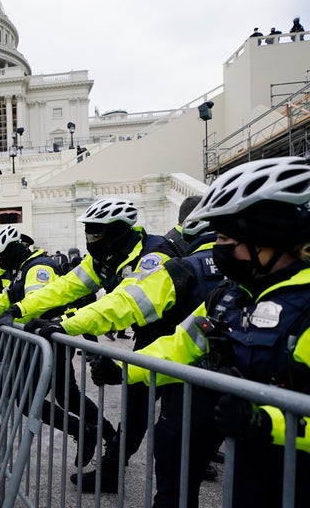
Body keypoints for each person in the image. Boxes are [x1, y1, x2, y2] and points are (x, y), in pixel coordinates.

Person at [93, 157, 310, 507]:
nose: (217, 246)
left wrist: (266, 423)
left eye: (225, 236)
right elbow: (181, 346)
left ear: (270, 236)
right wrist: (123, 368)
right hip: (252, 476)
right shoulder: (230, 296)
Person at [0, 198, 179, 486]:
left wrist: (64, 324)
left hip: (183, 338)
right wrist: (18, 310)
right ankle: (112, 471)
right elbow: (64, 288)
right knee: (136, 410)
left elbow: (122, 305)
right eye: (87, 234)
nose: (90, 241)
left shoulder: (154, 257)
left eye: (96, 234)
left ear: (119, 232)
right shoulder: (105, 258)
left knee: (175, 425)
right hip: (152, 336)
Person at [49, 217, 223, 493]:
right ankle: (114, 470)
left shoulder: (166, 261)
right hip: (163, 345)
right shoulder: (229, 281)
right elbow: (189, 338)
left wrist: (67, 323)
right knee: (150, 420)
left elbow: (129, 302)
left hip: (164, 343)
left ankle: (123, 469)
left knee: (166, 429)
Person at [0, 226, 115, 466]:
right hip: (42, 342)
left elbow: (36, 304)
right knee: (64, 396)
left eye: (1, 256)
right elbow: (5, 300)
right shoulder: (23, 269)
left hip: (49, 341)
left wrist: (12, 317)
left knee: (30, 397)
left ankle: (88, 431)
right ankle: (104, 433)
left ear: (14, 249)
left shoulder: (39, 268)